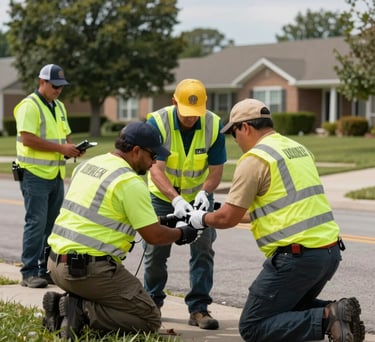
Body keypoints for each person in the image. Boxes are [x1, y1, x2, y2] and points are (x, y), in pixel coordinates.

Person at [188, 98, 365, 342]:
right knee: (283, 310)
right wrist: (216, 211)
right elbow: (277, 208)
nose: (235, 140)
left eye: (234, 133)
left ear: (246, 127)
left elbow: (228, 218)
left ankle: (329, 316)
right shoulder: (298, 149)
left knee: (253, 325)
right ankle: (342, 316)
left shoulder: (255, 159)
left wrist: (201, 218)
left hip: (296, 257)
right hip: (328, 253)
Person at [42, 122, 199, 339]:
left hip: (55, 264)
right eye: (153, 155)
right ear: (136, 151)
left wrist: (165, 219)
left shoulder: (89, 165)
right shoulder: (130, 181)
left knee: (123, 303)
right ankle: (78, 309)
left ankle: (72, 306)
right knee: (148, 318)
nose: (155, 162)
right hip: (88, 272)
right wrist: (183, 233)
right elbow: (153, 236)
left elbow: (104, 214)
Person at [143, 78, 227, 330]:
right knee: (156, 251)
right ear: (174, 102)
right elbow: (155, 169)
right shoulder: (157, 123)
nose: (191, 118)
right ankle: (152, 304)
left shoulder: (213, 124)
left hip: (199, 197)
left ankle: (199, 309)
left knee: (203, 250)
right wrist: (175, 198)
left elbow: (216, 170)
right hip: (162, 197)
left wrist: (205, 192)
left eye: (195, 113)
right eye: (186, 113)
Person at [14, 64, 81, 288]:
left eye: (61, 87)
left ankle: (45, 269)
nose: (58, 90)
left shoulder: (59, 106)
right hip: (34, 175)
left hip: (55, 173)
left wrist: (73, 147)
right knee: (36, 223)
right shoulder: (29, 106)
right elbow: (28, 139)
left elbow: (65, 135)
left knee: (52, 225)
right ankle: (29, 272)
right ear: (42, 82)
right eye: (55, 86)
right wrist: (61, 149)